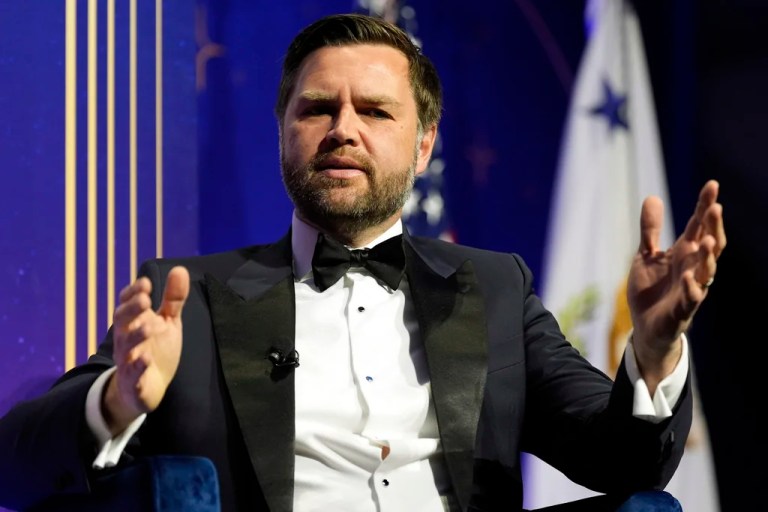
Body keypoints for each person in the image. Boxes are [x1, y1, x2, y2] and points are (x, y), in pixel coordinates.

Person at [0, 13, 725, 512]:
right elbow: (16, 463)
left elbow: (625, 465)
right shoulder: (188, 298)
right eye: (317, 108)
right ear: (282, 133)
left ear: (424, 145)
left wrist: (654, 352)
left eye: (375, 112)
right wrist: (119, 400)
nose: (343, 128)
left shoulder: (498, 289)